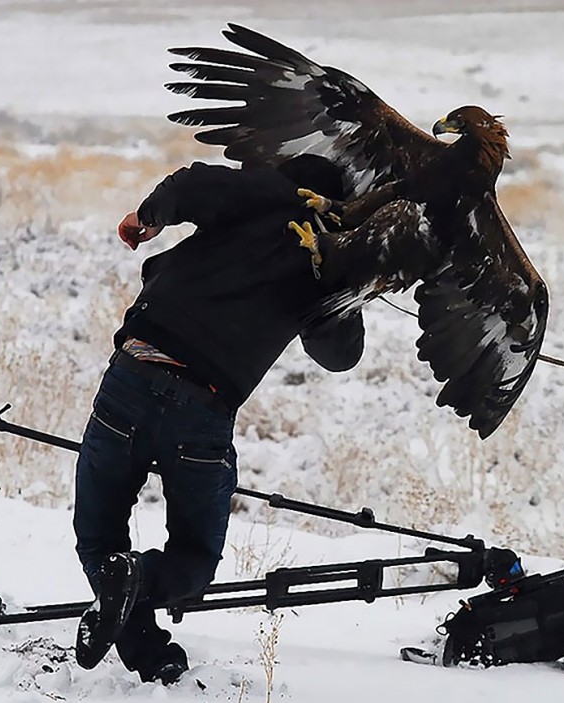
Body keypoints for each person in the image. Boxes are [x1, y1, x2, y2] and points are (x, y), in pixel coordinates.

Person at [73, 155, 366, 686]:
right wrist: (343, 278)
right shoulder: (324, 256)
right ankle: (146, 633)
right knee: (192, 560)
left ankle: (134, 615)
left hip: (131, 377)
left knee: (98, 537)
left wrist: (149, 214)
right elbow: (341, 354)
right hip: (201, 410)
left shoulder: (263, 194)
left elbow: (191, 184)